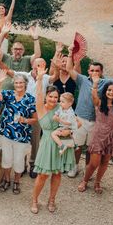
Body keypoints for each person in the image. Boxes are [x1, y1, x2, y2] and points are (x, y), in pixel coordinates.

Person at [65, 56, 113, 178]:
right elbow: (69, 68)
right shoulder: (82, 80)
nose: (94, 72)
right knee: (77, 146)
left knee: (91, 148)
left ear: (101, 72)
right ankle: (74, 166)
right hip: (80, 119)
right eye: (92, 70)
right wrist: (69, 53)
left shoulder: (106, 84)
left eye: (97, 70)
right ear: (88, 71)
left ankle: (87, 168)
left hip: (96, 122)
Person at [30, 70, 72, 214]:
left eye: (56, 97)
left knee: (58, 174)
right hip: (47, 143)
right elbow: (38, 94)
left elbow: (73, 122)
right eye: (51, 96)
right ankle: (35, 200)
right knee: (43, 175)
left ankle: (52, 200)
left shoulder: (62, 108)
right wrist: (40, 79)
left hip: (61, 142)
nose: (53, 99)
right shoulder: (41, 108)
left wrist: (68, 131)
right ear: (46, 97)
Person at [0, 71, 37, 195]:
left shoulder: (30, 99)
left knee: (18, 160)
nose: (19, 85)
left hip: (21, 135)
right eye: (17, 83)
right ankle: (6, 179)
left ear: (25, 84)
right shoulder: (9, 94)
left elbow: (35, 119)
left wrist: (25, 120)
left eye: (21, 83)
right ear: (14, 84)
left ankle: (17, 181)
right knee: (6, 158)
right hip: (6, 132)